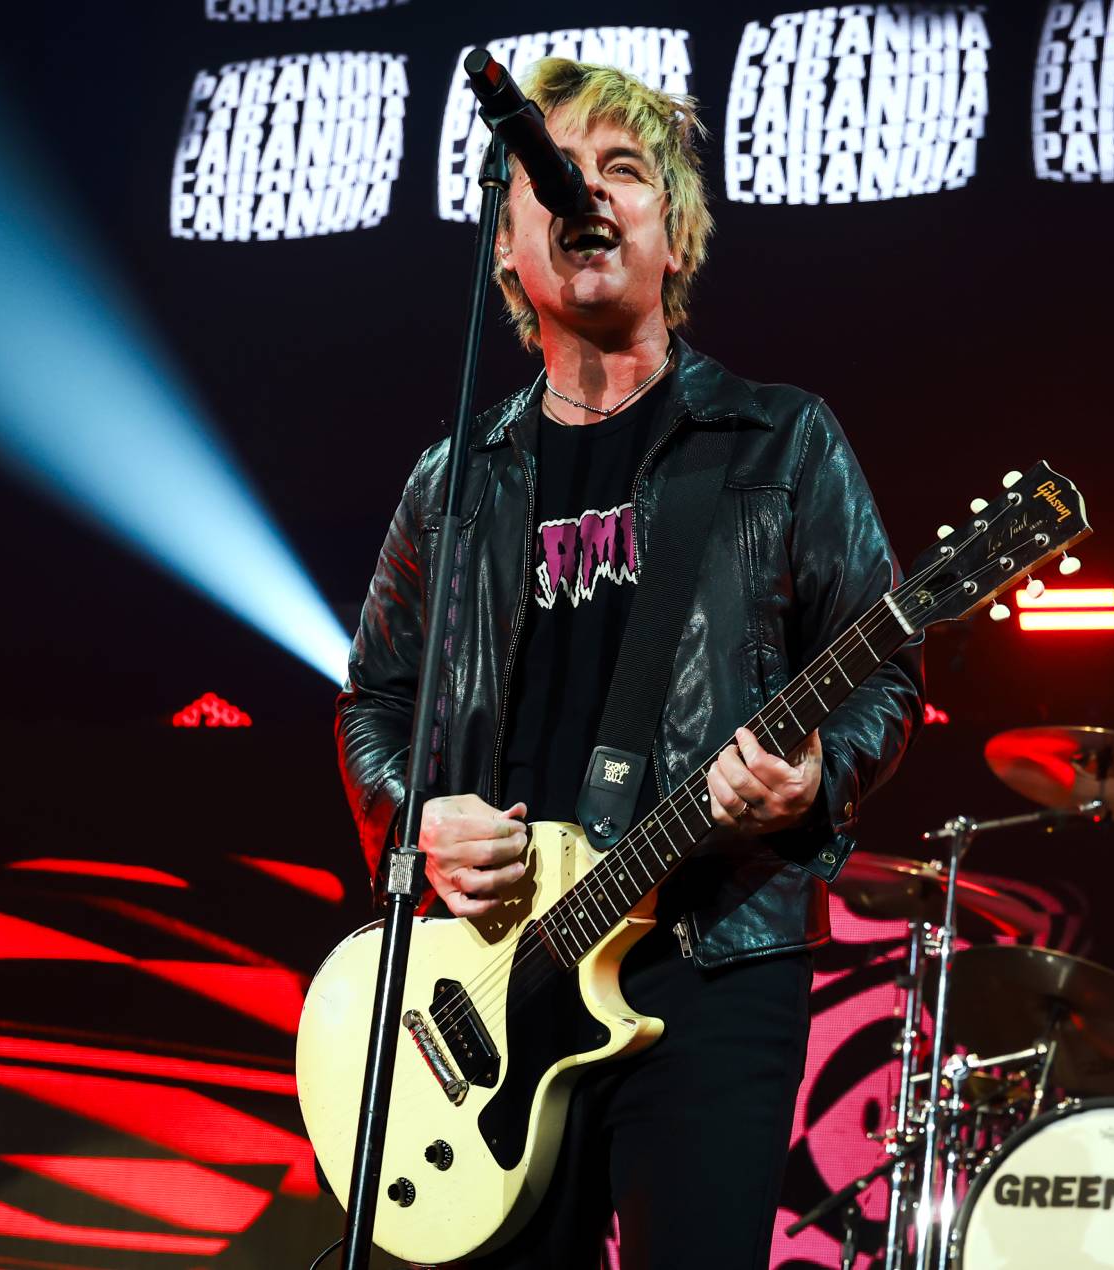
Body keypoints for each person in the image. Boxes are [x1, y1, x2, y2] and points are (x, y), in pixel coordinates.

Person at [334, 58, 922, 1269]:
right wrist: (415, 822)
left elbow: (881, 672)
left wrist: (814, 782)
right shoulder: (454, 481)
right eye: (552, 174)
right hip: (489, 984)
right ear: (507, 247)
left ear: (675, 239)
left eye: (624, 170)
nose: (586, 191)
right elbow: (374, 702)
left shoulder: (779, 440)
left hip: (707, 958)